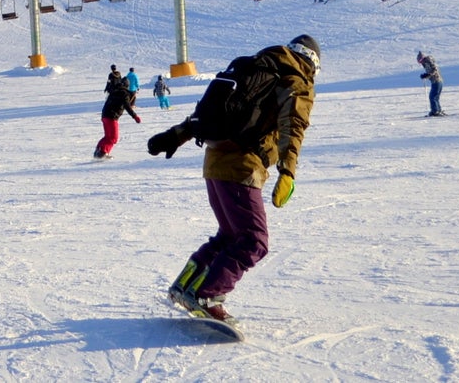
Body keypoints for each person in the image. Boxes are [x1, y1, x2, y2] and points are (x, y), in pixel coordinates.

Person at [149, 34, 319, 326]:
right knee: (254, 240)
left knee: (230, 235)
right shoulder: (295, 81)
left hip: (215, 161)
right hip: (242, 166)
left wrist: (177, 135)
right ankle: (208, 295)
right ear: (312, 65)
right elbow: (294, 127)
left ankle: (187, 283)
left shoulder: (253, 67)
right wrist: (288, 172)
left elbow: (215, 112)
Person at [96, 67, 130, 158]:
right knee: (113, 138)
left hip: (107, 111)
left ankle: (99, 151)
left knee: (108, 136)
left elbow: (109, 82)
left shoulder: (112, 75)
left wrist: (107, 88)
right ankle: (102, 152)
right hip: (112, 115)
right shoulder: (118, 75)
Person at [418, 51, 443, 115]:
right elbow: (430, 71)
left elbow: (435, 70)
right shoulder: (426, 63)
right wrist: (425, 75)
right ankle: (437, 110)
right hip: (436, 81)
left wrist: (429, 75)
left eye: (421, 61)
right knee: (435, 96)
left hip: (437, 80)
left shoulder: (429, 61)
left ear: (423, 58)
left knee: (432, 97)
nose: (421, 63)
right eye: (419, 62)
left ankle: (435, 111)